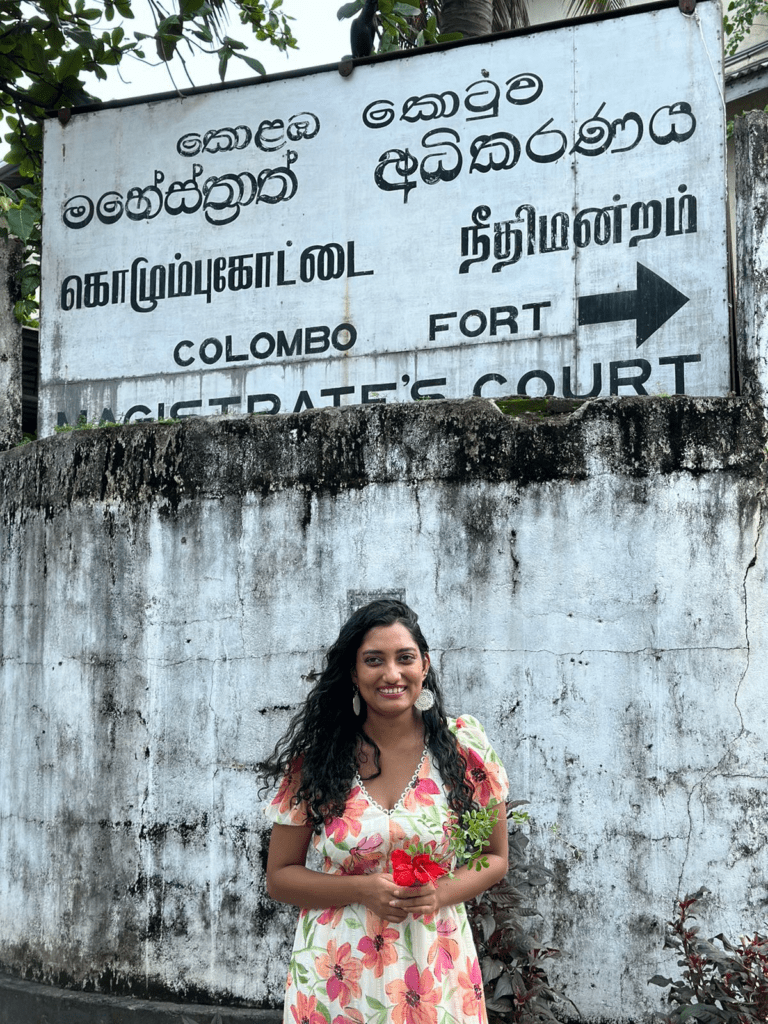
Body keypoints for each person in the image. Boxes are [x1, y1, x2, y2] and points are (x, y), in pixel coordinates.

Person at [262, 599, 509, 1024]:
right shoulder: (317, 760)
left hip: (436, 966)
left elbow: (496, 857)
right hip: (335, 973)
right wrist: (362, 889)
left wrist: (440, 893)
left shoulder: (464, 748)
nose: (392, 674)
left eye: (405, 658)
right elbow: (280, 877)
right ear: (354, 673)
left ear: (425, 665)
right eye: (374, 660)